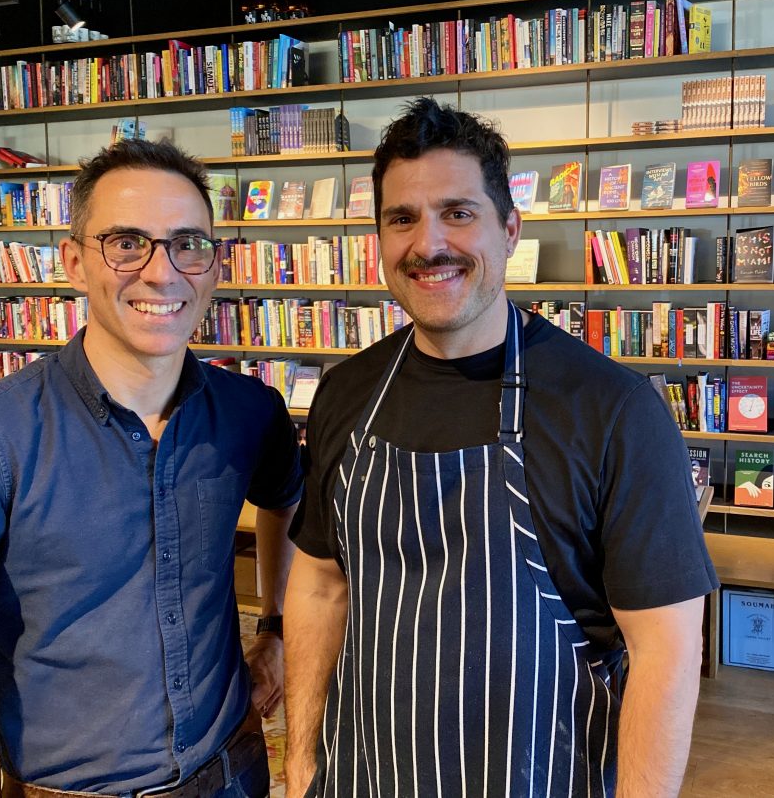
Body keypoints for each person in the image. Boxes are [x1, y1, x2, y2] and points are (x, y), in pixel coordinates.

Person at [283, 97, 717, 797]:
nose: (429, 245)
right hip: (362, 777)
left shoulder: (613, 410)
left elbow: (664, 652)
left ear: (509, 229)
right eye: (402, 219)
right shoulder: (347, 392)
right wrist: (301, 757)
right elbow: (320, 583)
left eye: (458, 212)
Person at [0, 139, 302, 797]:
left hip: (233, 770)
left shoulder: (249, 411)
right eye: (127, 242)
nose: (161, 271)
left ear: (213, 264)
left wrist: (277, 629)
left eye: (188, 243)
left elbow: (286, 497)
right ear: (73, 262)